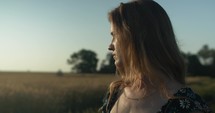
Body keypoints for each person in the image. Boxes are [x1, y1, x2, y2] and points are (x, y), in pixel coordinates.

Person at [99, 0, 212, 113]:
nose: (110, 46)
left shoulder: (188, 106)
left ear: (137, 38)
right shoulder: (114, 94)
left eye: (115, 35)